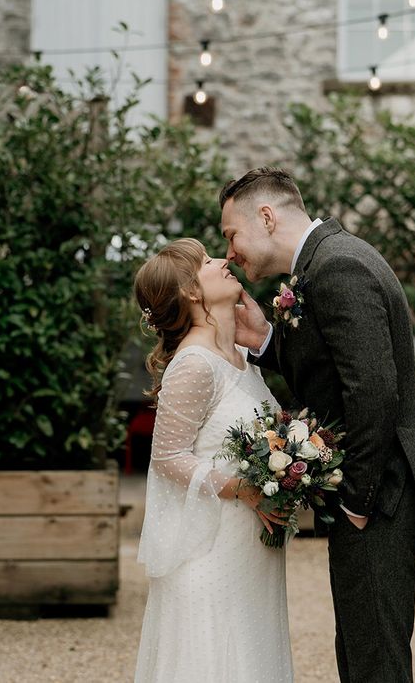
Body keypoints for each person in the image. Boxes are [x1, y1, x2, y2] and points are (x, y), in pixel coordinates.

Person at [220, 167, 415, 683]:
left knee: (375, 661)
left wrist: (356, 502)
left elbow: (372, 392)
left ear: (266, 215)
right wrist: (266, 342)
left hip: (380, 493)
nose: (231, 251)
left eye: (231, 235)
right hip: (376, 491)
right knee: (361, 646)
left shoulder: (338, 267)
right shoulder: (321, 264)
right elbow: (336, 371)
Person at [132, 238, 294, 683]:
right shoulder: (194, 364)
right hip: (211, 547)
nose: (223, 261)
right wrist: (246, 490)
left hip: (250, 547)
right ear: (189, 291)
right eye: (206, 262)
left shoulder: (241, 357)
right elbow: (167, 457)